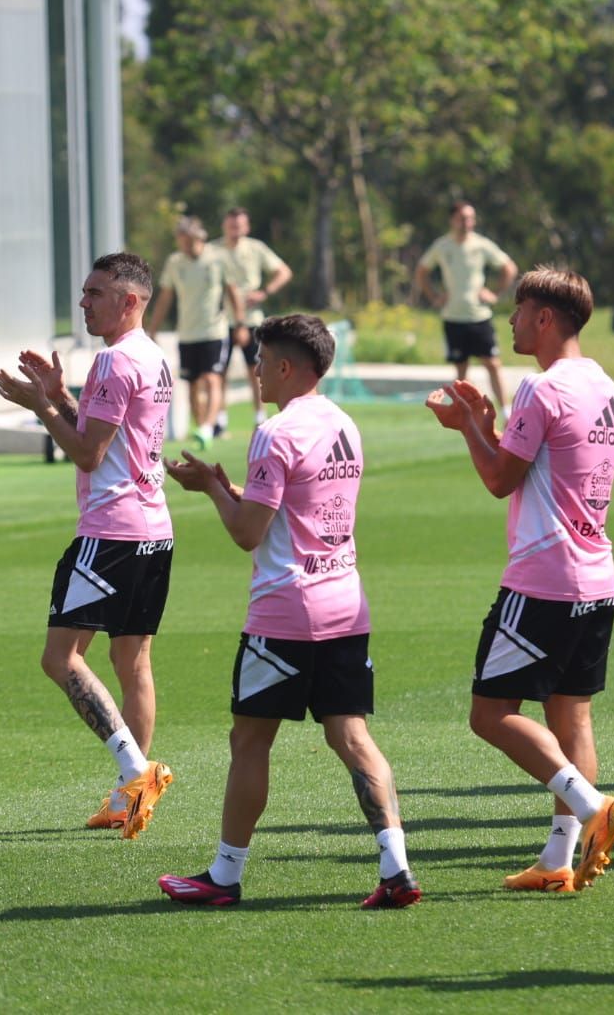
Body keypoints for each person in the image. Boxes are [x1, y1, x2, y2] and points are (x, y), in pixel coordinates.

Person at [157, 314, 419, 910]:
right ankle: (396, 865)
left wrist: (212, 492)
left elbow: (250, 533)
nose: (253, 372)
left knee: (249, 740)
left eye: (260, 361)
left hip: (285, 612)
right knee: (351, 735)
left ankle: (224, 875)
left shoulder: (276, 432)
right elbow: (301, 507)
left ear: (283, 367)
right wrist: (235, 490)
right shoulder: (344, 424)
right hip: (345, 603)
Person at [427, 266, 614, 893]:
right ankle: (558, 860)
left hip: (544, 580)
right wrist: (488, 427)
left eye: (518, 310)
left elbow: (499, 481)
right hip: (596, 577)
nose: (510, 321)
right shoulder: (605, 388)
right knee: (573, 718)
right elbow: (536, 468)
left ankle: (593, 806)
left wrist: (466, 426)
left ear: (545, 318)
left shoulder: (542, 390)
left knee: (490, 714)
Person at [0, 252, 175, 839]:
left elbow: (87, 454)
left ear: (130, 300)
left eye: (96, 293)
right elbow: (104, 433)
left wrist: (38, 405)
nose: (84, 302)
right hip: (154, 532)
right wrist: (60, 394)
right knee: (133, 662)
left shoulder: (112, 361)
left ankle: (136, 770)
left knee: (59, 657)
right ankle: (132, 799)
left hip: (111, 532)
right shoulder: (151, 358)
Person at [150, 217, 247, 450]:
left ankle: (208, 427)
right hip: (187, 334)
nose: (183, 245)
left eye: (187, 240)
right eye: (180, 241)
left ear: (198, 238)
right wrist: (152, 328)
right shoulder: (175, 262)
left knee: (213, 378)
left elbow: (232, 292)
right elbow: (165, 297)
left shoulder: (218, 258)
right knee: (192, 384)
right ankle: (202, 426)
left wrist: (241, 323)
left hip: (214, 330)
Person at [416, 201, 518, 419]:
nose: (467, 223)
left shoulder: (481, 245)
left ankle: (506, 410)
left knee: (492, 363)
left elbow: (509, 268)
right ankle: (465, 412)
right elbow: (422, 271)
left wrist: (495, 294)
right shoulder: (442, 246)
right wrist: (434, 296)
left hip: (479, 316)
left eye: (471, 218)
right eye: (463, 218)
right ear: (452, 220)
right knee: (461, 369)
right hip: (453, 317)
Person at [212, 207, 293, 431]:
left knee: (257, 369)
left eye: (239, 226)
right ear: (224, 226)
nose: (235, 230)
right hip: (220, 321)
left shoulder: (256, 248)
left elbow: (284, 272)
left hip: (252, 319)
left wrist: (264, 292)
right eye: (231, 225)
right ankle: (220, 421)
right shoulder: (213, 250)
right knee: (219, 373)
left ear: (246, 227)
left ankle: (259, 417)